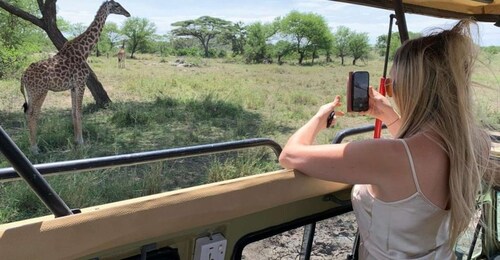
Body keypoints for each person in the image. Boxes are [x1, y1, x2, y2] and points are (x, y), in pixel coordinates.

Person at [279, 19, 498, 259]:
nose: (391, 94)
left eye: (392, 87)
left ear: (413, 88)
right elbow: (420, 153)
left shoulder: (386, 155)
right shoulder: (476, 142)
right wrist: (388, 115)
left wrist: (319, 119)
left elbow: (289, 154)